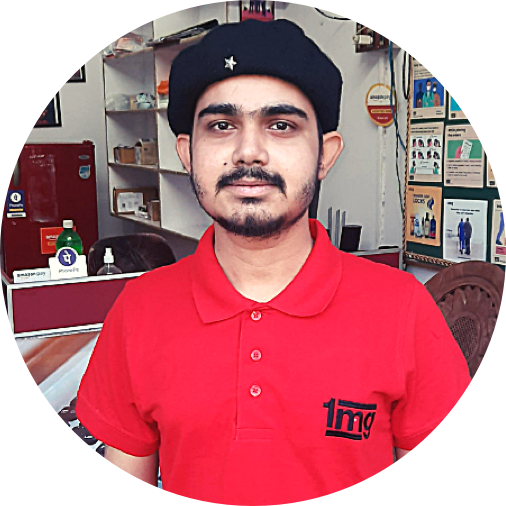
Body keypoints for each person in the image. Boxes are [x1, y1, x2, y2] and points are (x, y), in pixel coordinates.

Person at [76, 19, 471, 504]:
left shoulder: (403, 309)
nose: (249, 152)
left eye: (281, 125)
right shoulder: (139, 310)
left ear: (324, 155)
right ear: (187, 153)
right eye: (221, 126)